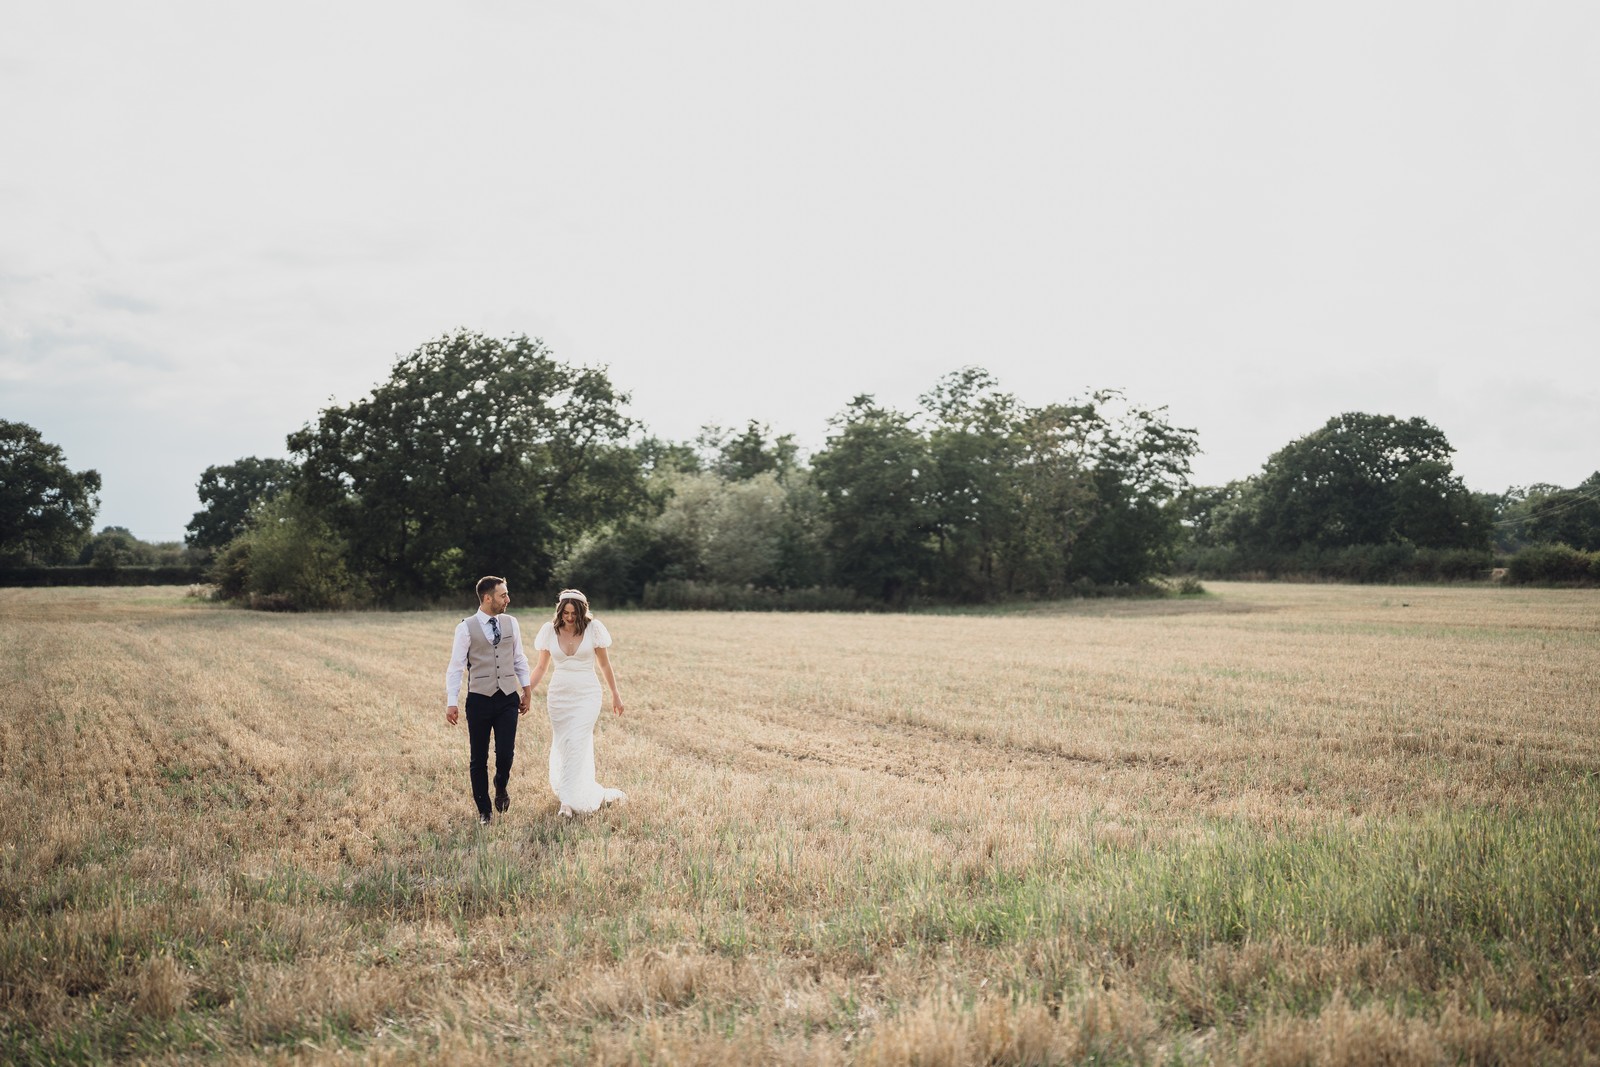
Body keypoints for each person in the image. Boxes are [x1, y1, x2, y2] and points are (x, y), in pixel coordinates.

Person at [529, 588, 627, 817]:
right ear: (560, 611)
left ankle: (567, 803)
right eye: (566, 613)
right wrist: (526, 691)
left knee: (577, 741)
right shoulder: (549, 631)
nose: (570, 618)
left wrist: (615, 693)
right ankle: (572, 793)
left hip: (587, 695)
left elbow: (604, 665)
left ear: (582, 612)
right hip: (559, 697)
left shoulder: (594, 629)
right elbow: (541, 667)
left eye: (574, 613)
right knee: (564, 745)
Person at [444, 575, 532, 825]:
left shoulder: (511, 623)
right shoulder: (465, 628)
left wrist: (527, 690)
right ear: (487, 598)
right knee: (478, 758)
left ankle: (501, 784)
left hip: (507, 697)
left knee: (505, 753)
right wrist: (452, 701)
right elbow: (455, 667)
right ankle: (484, 811)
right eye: (503, 595)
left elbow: (519, 659)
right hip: (479, 700)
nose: (508, 599)